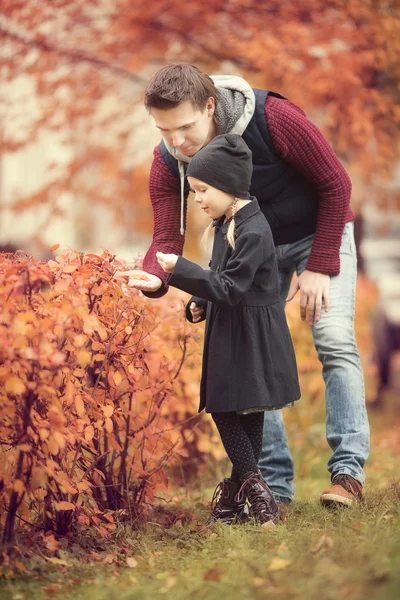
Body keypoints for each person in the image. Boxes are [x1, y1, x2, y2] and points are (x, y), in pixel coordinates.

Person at [122, 63, 369, 508]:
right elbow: (166, 235)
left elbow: (337, 184)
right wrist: (155, 278)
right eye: (163, 129)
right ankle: (272, 486)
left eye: (185, 126)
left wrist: (320, 263)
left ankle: (348, 473)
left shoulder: (274, 118)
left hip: (318, 233)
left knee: (333, 340)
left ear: (210, 105)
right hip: (248, 251)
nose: (176, 141)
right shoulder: (168, 160)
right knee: (249, 356)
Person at [156, 133, 300, 525]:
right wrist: (199, 300)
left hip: (250, 332)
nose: (197, 198)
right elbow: (222, 278)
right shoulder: (228, 223)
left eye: (203, 189)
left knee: (225, 406)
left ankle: (255, 490)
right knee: (245, 409)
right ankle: (234, 504)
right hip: (235, 327)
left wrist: (179, 271)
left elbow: (232, 288)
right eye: (194, 190)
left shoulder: (252, 229)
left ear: (229, 186)